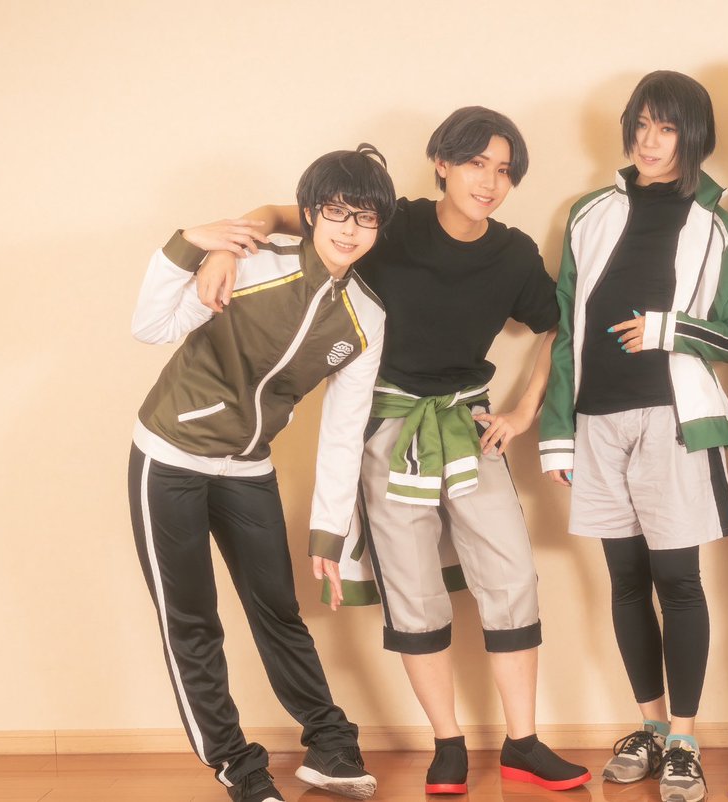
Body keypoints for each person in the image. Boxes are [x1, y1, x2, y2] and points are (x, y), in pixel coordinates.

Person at [196, 107, 590, 795]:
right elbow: (285, 214)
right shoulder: (391, 223)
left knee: (512, 577)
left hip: (467, 425)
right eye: (475, 163)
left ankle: (523, 743)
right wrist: (228, 246)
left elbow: (559, 326)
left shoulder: (515, 255)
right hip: (387, 427)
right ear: (442, 163)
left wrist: (525, 410)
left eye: (503, 171)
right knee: (412, 589)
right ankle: (447, 744)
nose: (489, 181)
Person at [128, 145, 395, 802]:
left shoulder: (366, 319)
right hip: (170, 458)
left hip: (248, 468)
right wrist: (191, 245)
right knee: (192, 620)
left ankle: (330, 745)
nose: (350, 229)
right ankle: (238, 768)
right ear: (311, 213)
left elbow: (344, 432)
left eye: (365, 217)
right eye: (337, 212)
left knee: (278, 609)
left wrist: (329, 530)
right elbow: (152, 325)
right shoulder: (252, 264)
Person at [537, 71, 728, 802]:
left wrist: (669, 330)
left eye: (665, 127)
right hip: (598, 423)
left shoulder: (715, 225)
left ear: (692, 136)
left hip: (673, 422)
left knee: (679, 582)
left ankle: (686, 740)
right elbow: (564, 328)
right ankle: (652, 727)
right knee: (625, 581)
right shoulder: (589, 213)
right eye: (641, 124)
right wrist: (559, 433)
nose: (649, 140)